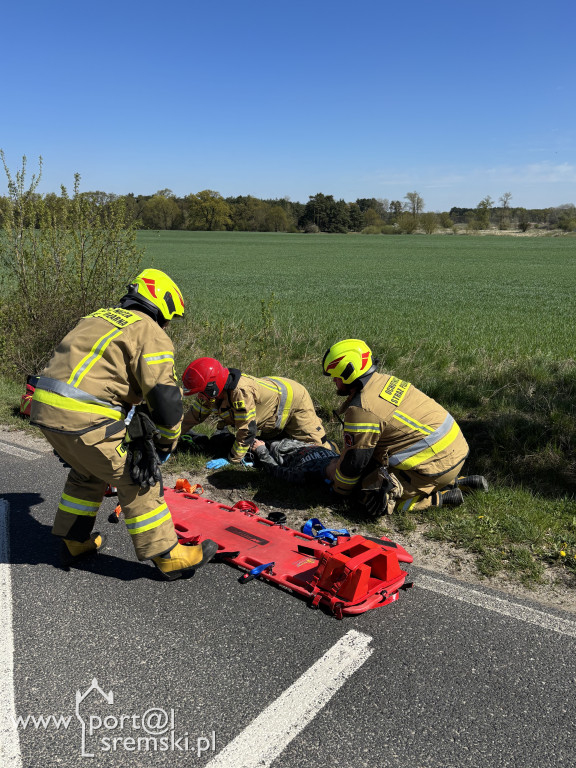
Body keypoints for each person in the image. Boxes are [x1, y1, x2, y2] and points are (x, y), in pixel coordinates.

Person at [30, 268, 217, 580]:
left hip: (45, 411)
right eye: (169, 317)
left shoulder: (97, 317)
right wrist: (166, 444)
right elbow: (166, 400)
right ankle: (168, 555)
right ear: (161, 303)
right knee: (138, 476)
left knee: (88, 469)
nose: (168, 324)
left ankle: (74, 540)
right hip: (84, 418)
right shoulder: (150, 331)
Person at [321, 339, 488, 515]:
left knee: (367, 496)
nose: (334, 381)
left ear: (349, 373)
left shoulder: (362, 409)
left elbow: (354, 463)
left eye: (336, 376)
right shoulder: (384, 381)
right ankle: (457, 481)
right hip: (455, 452)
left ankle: (438, 498)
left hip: (434, 467)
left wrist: (340, 490)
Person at [181, 357, 329, 467]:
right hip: (272, 408)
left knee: (318, 451)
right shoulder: (211, 395)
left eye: (200, 393)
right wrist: (169, 441)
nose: (199, 397)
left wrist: (232, 460)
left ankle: (337, 456)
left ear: (212, 386)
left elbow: (247, 430)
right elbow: (192, 417)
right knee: (280, 449)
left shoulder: (240, 392)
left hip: (294, 400)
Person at [251, 437, 339, 484]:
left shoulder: (306, 474)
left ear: (331, 478)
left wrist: (261, 449)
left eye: (339, 469)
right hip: (296, 439)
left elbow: (275, 469)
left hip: (273, 446)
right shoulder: (339, 459)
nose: (340, 463)